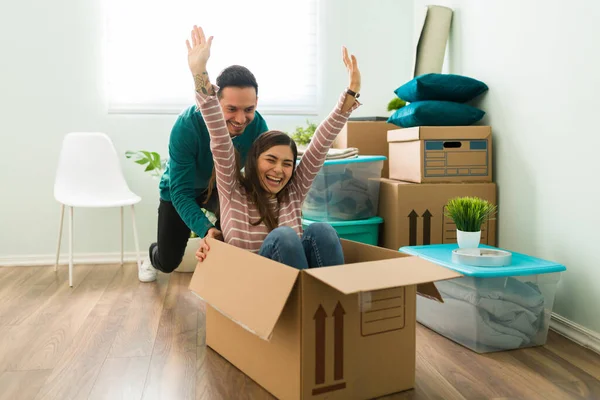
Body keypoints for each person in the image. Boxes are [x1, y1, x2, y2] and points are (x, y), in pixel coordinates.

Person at [188, 25, 361, 269]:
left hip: (299, 283)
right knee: (285, 236)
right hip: (253, 285)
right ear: (254, 160)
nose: (279, 170)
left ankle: (329, 302)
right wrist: (199, 71)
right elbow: (218, 136)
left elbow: (319, 145)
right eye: (271, 160)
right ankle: (297, 305)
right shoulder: (232, 189)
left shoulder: (293, 192)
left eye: (287, 163)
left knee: (322, 230)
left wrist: (351, 92)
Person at [138, 49, 268, 282]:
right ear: (215, 101)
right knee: (168, 262)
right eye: (231, 109)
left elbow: (260, 177)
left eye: (248, 109)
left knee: (234, 235)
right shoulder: (186, 126)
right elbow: (180, 192)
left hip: (220, 188)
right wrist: (206, 229)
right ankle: (152, 254)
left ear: (256, 102)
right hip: (181, 190)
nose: (240, 119)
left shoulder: (258, 126)